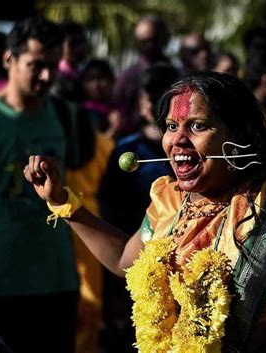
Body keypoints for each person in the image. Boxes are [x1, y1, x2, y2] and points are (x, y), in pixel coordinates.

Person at [24, 71, 266, 352]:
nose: (178, 141)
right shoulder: (169, 200)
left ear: (240, 136)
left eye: (197, 126)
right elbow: (124, 259)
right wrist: (62, 202)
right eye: (171, 126)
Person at [0, 16, 78, 353]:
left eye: (53, 66)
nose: (46, 76)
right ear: (8, 60)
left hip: (57, 280)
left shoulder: (66, 115)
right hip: (3, 284)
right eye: (36, 65)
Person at [98, 62, 177, 353]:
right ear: (140, 102)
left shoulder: (191, 152)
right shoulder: (126, 150)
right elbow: (109, 207)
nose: (155, 107)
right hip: (137, 251)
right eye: (149, 98)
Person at [114, 14, 171, 135]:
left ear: (164, 38)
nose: (149, 45)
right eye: (143, 41)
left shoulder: (178, 71)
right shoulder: (128, 76)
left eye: (153, 40)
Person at [80, 58, 121, 138]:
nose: (96, 85)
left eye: (101, 78)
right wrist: (114, 128)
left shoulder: (120, 109)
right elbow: (95, 146)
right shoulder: (83, 113)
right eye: (90, 79)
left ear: (112, 80)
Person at [50, 21, 89, 102]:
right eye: (73, 43)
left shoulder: (86, 73)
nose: (80, 48)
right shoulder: (53, 78)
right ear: (59, 46)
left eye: (82, 42)